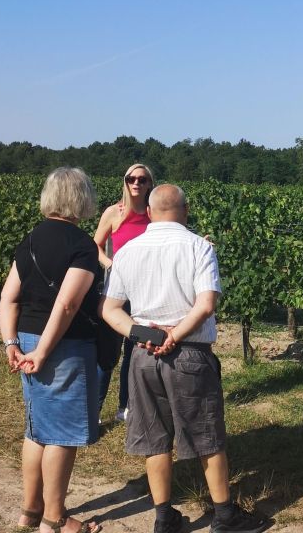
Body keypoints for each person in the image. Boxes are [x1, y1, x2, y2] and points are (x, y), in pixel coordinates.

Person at [102, 184, 269, 533]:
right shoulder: (198, 247)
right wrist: (174, 335)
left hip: (143, 356)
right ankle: (224, 517)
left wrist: (146, 335)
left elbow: (111, 310)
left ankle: (164, 518)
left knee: (154, 437)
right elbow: (206, 304)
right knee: (207, 436)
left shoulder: (128, 251)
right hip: (189, 354)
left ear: (148, 213)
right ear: (186, 210)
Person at [0, 167, 103, 533]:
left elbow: (9, 298)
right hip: (63, 347)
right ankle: (54, 518)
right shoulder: (81, 245)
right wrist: (43, 352)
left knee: (36, 430)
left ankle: (29, 511)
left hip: (28, 340)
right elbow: (67, 305)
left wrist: (11, 344)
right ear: (82, 198)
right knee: (61, 434)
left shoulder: (29, 241)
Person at [93, 163, 154, 421]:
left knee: (134, 349)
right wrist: (111, 265)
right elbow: (95, 245)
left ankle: (124, 407)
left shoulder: (154, 215)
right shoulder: (113, 213)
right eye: (131, 178)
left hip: (143, 293)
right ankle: (93, 410)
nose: (136, 183)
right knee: (107, 353)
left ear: (150, 183)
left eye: (142, 179)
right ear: (125, 181)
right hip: (116, 293)